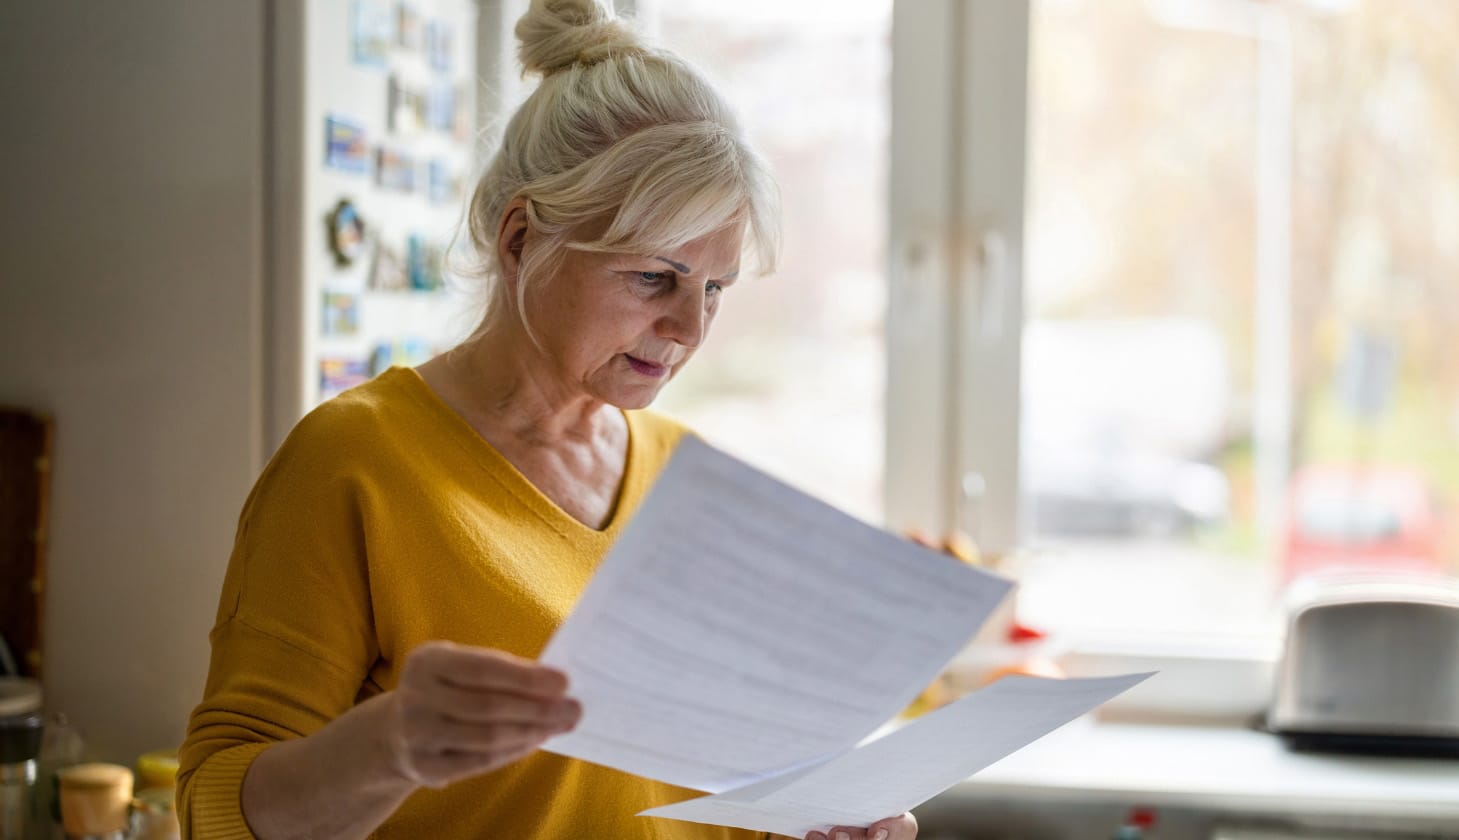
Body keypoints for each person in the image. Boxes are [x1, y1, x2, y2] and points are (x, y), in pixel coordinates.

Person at [177, 1, 917, 838]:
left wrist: (815, 823)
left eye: (714, 289)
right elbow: (216, 808)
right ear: (522, 237)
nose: (689, 329)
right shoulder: (355, 462)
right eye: (653, 278)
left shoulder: (690, 477)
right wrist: (388, 747)